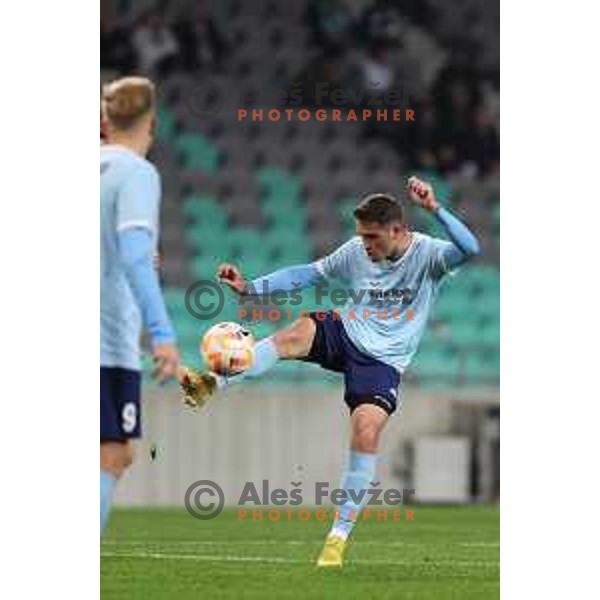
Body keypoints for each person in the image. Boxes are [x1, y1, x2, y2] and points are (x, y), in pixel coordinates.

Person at [180, 177, 480, 567]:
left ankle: (336, 540)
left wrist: (435, 209)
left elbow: (471, 248)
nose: (365, 245)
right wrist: (251, 288)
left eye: (373, 237)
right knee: (294, 333)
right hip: (347, 331)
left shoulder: (430, 255)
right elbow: (306, 274)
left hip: (383, 362)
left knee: (366, 431)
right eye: (362, 236)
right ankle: (213, 382)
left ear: (398, 230)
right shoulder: (356, 252)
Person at [100, 76, 179, 536]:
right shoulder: (137, 173)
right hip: (106, 341)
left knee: (116, 452)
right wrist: (163, 335)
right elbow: (133, 256)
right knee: (113, 453)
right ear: (151, 122)